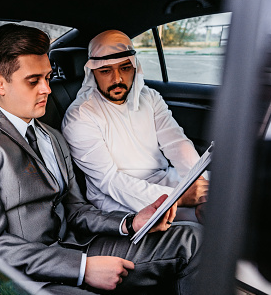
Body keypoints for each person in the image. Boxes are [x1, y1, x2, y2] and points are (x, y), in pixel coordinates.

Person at [0, 24, 201, 295]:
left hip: (77, 246)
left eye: (48, 77)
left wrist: (129, 223)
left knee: (192, 238)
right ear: (0, 84)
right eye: (33, 81)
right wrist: (81, 268)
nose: (47, 89)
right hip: (28, 278)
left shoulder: (51, 136)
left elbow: (76, 210)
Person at [62, 30, 209, 216]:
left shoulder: (150, 97)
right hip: (118, 199)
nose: (117, 79)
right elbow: (110, 181)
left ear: (135, 67)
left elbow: (177, 143)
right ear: (92, 73)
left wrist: (199, 184)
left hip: (163, 178)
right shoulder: (80, 116)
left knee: (227, 190)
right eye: (106, 71)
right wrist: (177, 198)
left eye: (124, 68)